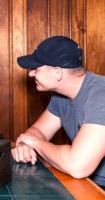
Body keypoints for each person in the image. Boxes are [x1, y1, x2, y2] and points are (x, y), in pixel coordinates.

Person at [11, 36, 105, 189]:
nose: (31, 74)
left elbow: (78, 165)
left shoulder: (101, 95)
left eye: (37, 69)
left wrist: (34, 142)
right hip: (89, 184)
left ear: (57, 73)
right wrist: (25, 145)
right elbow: (38, 130)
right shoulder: (61, 96)